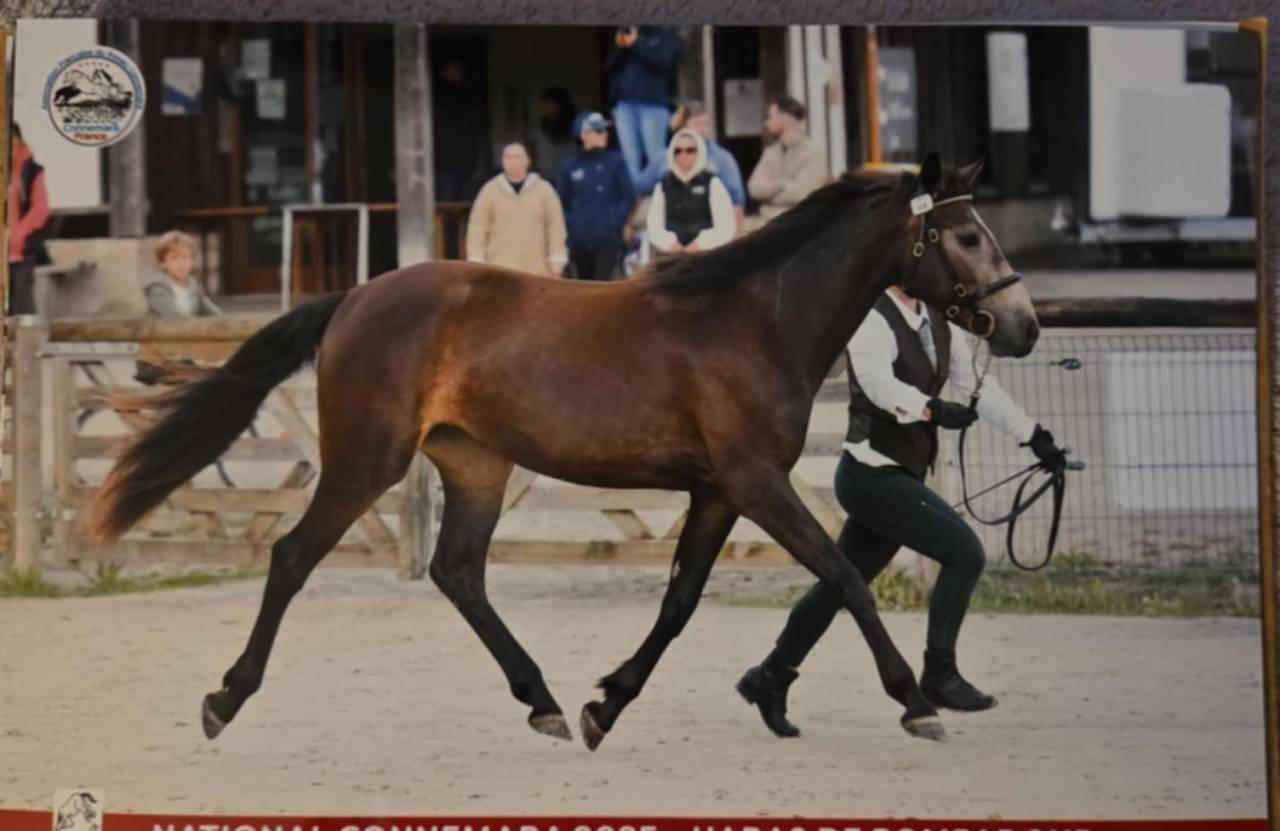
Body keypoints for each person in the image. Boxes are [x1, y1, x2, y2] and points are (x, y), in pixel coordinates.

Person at [736, 282, 1067, 738]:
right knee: (965, 552)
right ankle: (940, 673)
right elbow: (877, 385)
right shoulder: (870, 316)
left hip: (899, 474)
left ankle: (769, 677)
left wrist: (1034, 435)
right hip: (870, 475)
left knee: (838, 586)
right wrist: (931, 410)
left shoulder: (937, 318)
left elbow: (977, 385)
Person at [466, 142, 568, 277]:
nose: (513, 161)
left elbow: (555, 226)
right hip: (499, 271)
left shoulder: (544, 190)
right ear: (502, 161)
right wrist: (476, 259)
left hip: (537, 271)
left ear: (528, 160)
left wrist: (557, 258)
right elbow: (477, 227)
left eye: (518, 156)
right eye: (508, 157)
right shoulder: (489, 190)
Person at [555, 111, 635, 281]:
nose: (604, 134)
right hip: (579, 239)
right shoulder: (569, 166)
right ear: (583, 136)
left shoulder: (616, 161)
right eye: (598, 131)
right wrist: (572, 225)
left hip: (607, 238)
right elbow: (561, 202)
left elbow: (628, 195)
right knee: (583, 287)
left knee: (603, 287)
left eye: (605, 130)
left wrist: (614, 221)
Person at [136, 230, 222, 384]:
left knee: (219, 371)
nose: (182, 264)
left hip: (182, 355)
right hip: (157, 360)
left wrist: (228, 327)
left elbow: (213, 313)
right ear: (162, 263)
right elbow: (177, 319)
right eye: (175, 259)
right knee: (206, 378)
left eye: (186, 258)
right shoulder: (157, 289)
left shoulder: (193, 286)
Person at [606, 25, 679, 194]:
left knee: (656, 157)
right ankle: (635, 202)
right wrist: (619, 47)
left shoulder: (664, 32)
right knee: (630, 159)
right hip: (624, 105)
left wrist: (636, 43)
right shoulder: (627, 32)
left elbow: (664, 61)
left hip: (652, 105)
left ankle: (662, 197)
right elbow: (608, 66)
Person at [646, 128, 736, 256]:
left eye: (690, 150)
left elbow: (726, 225)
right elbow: (654, 225)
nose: (683, 155)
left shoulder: (712, 183)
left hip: (706, 256)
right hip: (671, 256)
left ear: (699, 152)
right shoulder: (663, 185)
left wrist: (700, 244)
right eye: (678, 151)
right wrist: (670, 244)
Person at [747, 95, 829, 223]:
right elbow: (754, 188)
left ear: (784, 117)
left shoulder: (814, 153)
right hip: (768, 224)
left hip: (800, 224)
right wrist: (782, 183)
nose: (766, 123)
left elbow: (801, 194)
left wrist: (767, 197)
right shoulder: (771, 152)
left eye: (770, 117)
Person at [670, 100, 746, 228]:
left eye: (705, 123)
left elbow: (736, 198)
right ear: (684, 125)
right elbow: (640, 186)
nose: (702, 128)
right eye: (697, 123)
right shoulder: (665, 158)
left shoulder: (722, 158)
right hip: (674, 230)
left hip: (712, 228)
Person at [8, 123, 51, 316]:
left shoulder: (32, 171)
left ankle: (24, 345)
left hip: (21, 250)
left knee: (21, 303)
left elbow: (40, 209)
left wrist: (18, 234)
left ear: (18, 140)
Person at [433, 55, 487, 202]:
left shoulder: (470, 96)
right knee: (447, 202)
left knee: (466, 202)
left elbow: (475, 128)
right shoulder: (438, 98)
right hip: (444, 161)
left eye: (457, 70)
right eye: (451, 70)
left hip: (466, 161)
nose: (454, 74)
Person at [534, 86, 579, 182]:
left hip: (569, 178)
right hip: (546, 177)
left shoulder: (574, 125)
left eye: (547, 103)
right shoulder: (543, 125)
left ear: (558, 105)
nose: (543, 107)